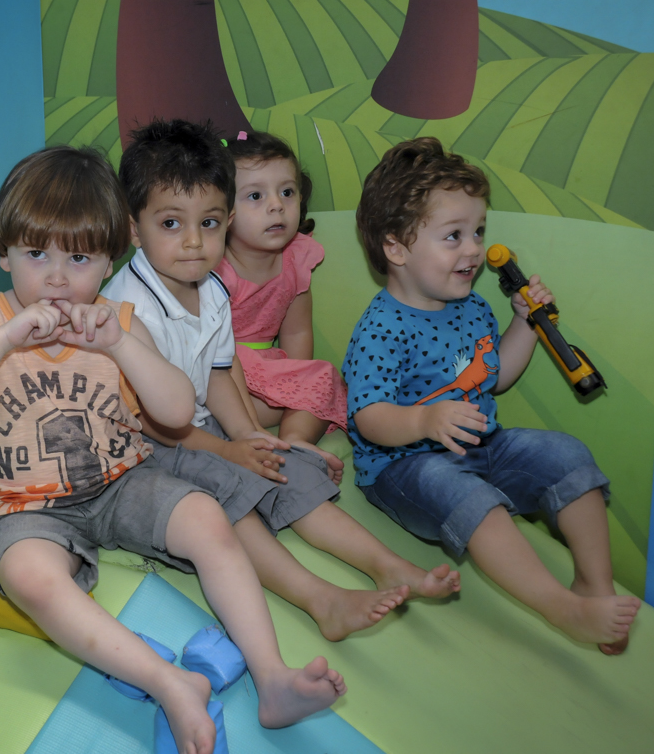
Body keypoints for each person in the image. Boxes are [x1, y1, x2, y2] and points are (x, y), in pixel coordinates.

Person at [0, 145, 345, 753]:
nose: (57, 278)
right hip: (24, 505)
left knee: (206, 517)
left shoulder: (118, 318)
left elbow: (170, 411)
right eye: (37, 254)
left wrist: (121, 344)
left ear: (111, 258)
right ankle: (168, 682)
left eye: (80, 258)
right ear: (4, 255)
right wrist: (4, 339)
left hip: (120, 480)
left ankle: (273, 679)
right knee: (30, 577)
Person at [102, 120, 460, 644]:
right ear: (134, 229)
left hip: (196, 425)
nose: (195, 243)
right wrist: (228, 454)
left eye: (210, 223)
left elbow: (221, 373)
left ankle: (389, 565)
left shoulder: (211, 289)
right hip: (139, 444)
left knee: (283, 465)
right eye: (172, 224)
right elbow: (152, 420)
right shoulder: (129, 309)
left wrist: (248, 434)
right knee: (230, 496)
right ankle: (322, 601)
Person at [343, 137, 640, 654]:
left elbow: (495, 377)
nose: (474, 249)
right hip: (404, 465)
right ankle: (560, 609)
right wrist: (422, 422)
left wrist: (524, 324)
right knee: (470, 498)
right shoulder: (381, 328)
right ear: (396, 248)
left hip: (482, 443)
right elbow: (369, 417)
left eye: (478, 231)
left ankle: (594, 586)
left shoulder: (474, 306)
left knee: (566, 454)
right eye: (453, 236)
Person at [217, 131, 347, 483]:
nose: (276, 205)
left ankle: (295, 439)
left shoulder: (297, 258)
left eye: (286, 192)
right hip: (223, 371)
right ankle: (252, 437)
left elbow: (297, 330)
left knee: (327, 376)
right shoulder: (213, 266)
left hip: (269, 371)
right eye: (256, 196)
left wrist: (297, 382)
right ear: (222, 210)